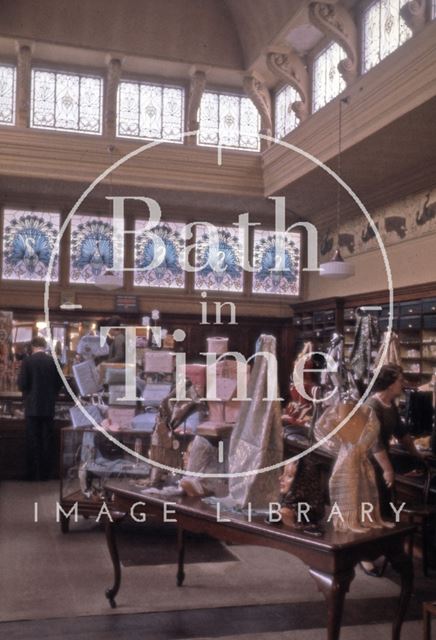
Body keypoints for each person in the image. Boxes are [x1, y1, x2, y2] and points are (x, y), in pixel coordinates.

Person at [18, 336, 64, 480]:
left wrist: (27, 394)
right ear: (44, 346)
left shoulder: (27, 361)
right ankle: (47, 473)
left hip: (32, 407)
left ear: (32, 347)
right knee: (47, 440)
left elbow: (22, 384)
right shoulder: (53, 361)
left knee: (33, 441)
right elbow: (60, 383)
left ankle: (33, 474)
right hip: (49, 406)